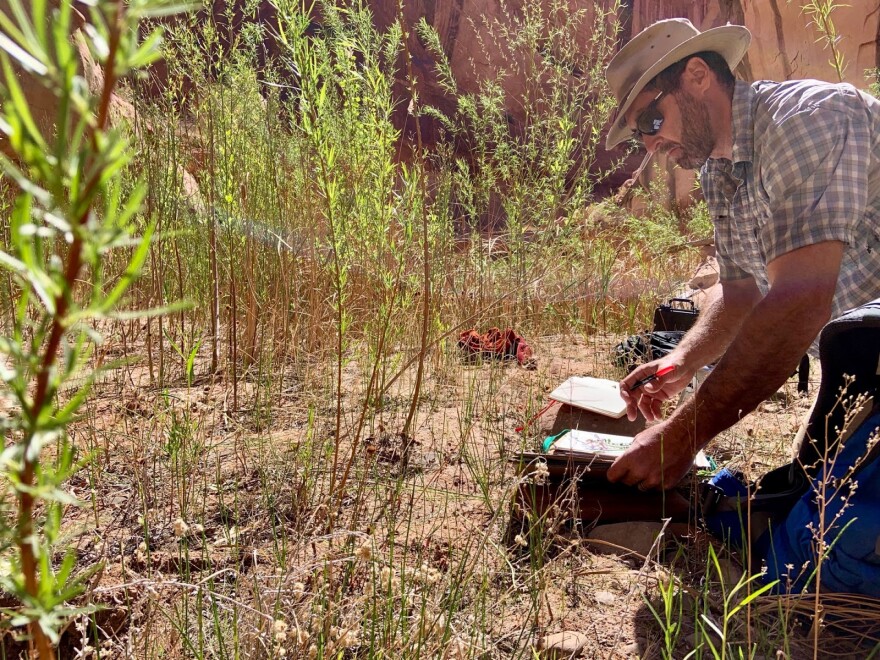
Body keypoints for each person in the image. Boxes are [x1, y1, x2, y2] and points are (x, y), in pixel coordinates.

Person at [602, 18, 880, 491]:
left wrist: (682, 436)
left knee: (829, 524)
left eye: (651, 120)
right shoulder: (719, 171)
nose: (650, 145)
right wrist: (681, 362)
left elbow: (799, 301)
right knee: (802, 503)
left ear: (697, 75)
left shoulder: (806, 120)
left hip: (867, 347)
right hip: (858, 358)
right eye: (638, 136)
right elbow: (739, 295)